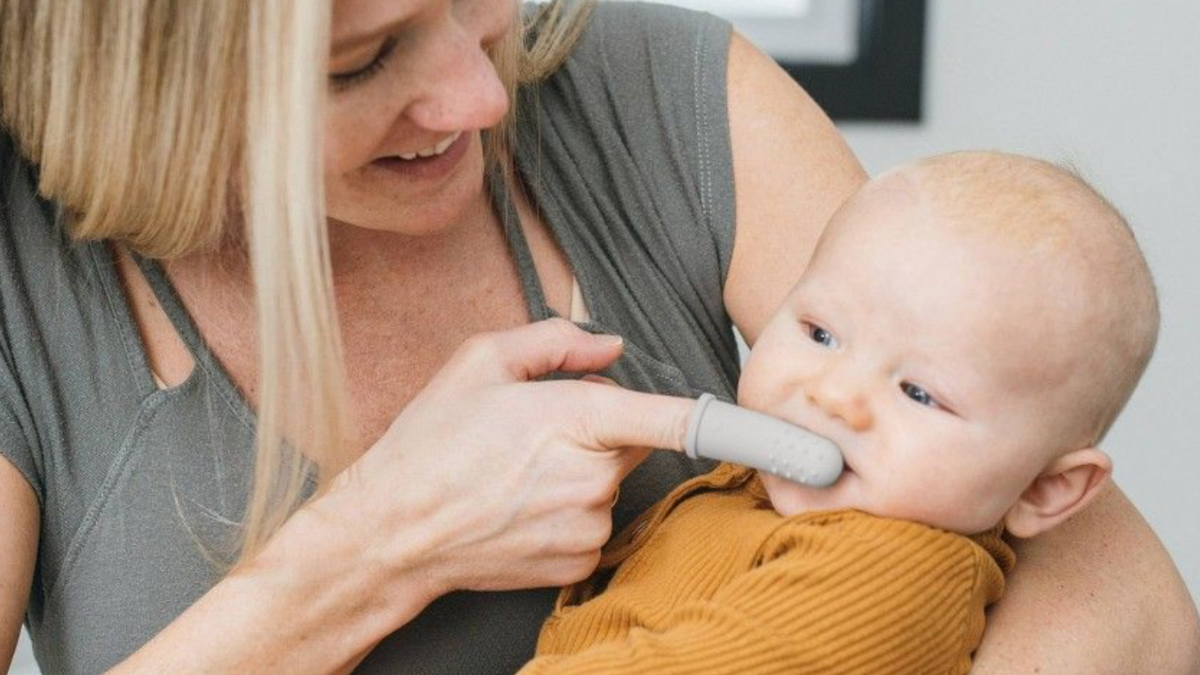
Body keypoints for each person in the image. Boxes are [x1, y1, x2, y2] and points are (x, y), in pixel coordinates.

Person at [0, 1, 1194, 673]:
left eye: (480, 2)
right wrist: (380, 546)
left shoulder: (665, 92)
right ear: (141, 83)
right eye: (361, 63)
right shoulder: (24, 271)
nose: (485, 99)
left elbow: (1123, 601)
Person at [517, 151, 1155, 673]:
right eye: (820, 334)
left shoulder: (892, 578)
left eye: (919, 393)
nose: (833, 395)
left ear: (1046, 490)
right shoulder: (751, 491)